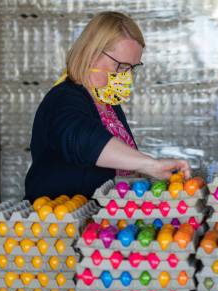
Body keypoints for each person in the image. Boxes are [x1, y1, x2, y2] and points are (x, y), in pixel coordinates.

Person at [24, 12, 190, 201]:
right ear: (91, 54)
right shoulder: (62, 99)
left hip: (103, 223)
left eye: (132, 68)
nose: (126, 76)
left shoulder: (108, 102)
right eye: (120, 66)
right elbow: (85, 140)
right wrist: (149, 164)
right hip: (59, 220)